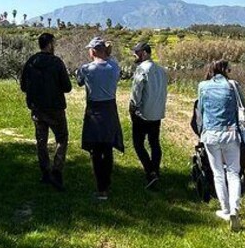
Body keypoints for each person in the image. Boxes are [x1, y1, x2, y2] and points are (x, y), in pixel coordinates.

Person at [196, 59, 245, 231]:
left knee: (218, 173)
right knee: (233, 172)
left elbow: (201, 110)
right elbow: (244, 108)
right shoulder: (232, 85)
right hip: (230, 133)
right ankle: (235, 209)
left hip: (210, 134)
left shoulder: (202, 86)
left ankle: (225, 209)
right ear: (226, 70)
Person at [20, 33, 72, 190]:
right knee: (61, 138)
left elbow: (23, 86)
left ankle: (45, 172)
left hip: (37, 109)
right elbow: (67, 87)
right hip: (55, 109)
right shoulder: (57, 63)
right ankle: (57, 171)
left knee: (41, 141)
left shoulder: (31, 62)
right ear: (49, 44)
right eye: (53, 43)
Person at [76, 37, 124, 200]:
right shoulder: (114, 67)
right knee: (107, 148)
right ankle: (107, 183)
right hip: (110, 109)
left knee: (95, 151)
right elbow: (115, 71)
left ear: (93, 51)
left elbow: (79, 82)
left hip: (94, 110)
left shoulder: (86, 69)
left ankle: (100, 187)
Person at [129, 41, 168, 189]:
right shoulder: (161, 70)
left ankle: (150, 171)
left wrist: (133, 107)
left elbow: (136, 93)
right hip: (157, 113)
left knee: (138, 144)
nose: (135, 55)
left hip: (142, 113)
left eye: (137, 52)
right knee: (154, 143)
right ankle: (155, 171)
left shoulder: (142, 69)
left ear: (144, 53)